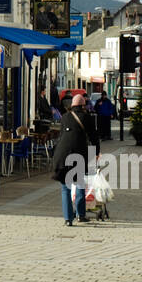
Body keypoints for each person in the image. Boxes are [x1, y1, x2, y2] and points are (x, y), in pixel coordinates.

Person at [51, 92, 99, 226]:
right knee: (79, 185)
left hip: (62, 154)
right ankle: (80, 215)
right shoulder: (87, 118)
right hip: (78, 154)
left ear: (72, 105)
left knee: (65, 188)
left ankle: (67, 219)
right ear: (83, 106)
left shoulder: (65, 117)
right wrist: (96, 153)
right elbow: (94, 137)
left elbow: (61, 136)